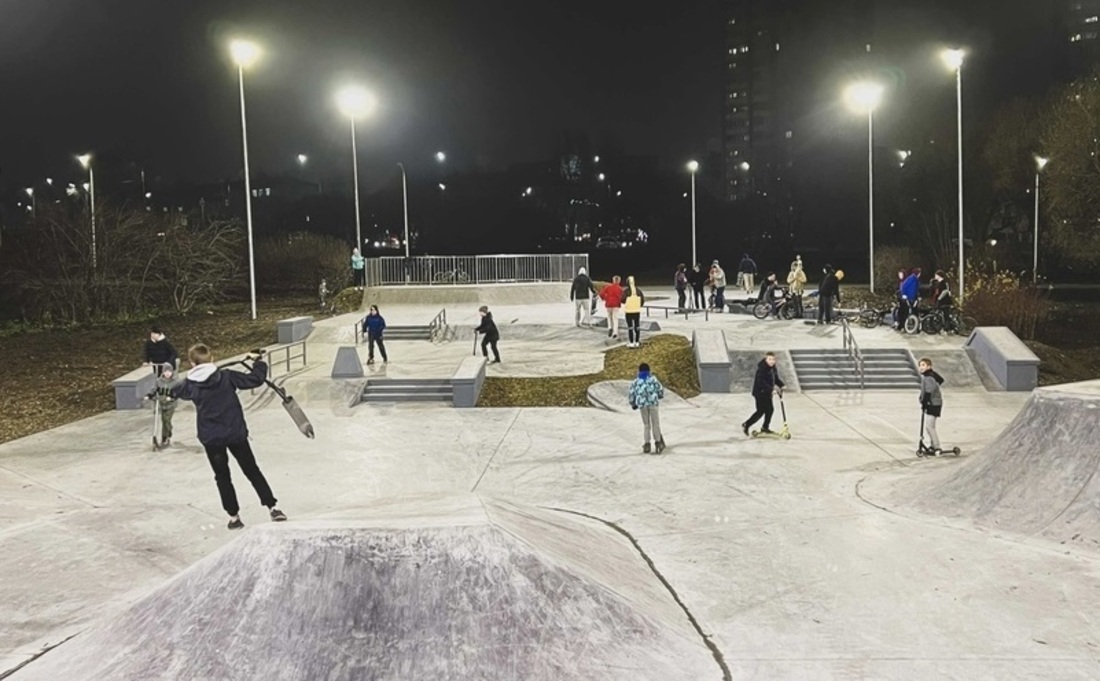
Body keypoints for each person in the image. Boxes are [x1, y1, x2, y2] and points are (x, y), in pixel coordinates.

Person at [166, 344, 287, 530]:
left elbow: (174, 391)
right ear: (212, 359)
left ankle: (234, 517)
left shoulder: (190, 385)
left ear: (191, 363)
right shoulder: (227, 376)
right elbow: (255, 379)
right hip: (235, 433)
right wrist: (258, 362)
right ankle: (273, 508)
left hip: (212, 438)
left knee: (222, 476)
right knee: (252, 470)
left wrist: (167, 383)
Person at [143, 326, 179, 448]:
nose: (153, 336)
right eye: (152, 334)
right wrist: (146, 361)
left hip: (165, 364)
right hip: (157, 367)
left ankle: (166, 434)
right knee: (159, 383)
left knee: (166, 420)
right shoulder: (149, 343)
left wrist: (168, 362)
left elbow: (174, 353)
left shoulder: (165, 343)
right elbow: (147, 353)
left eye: (155, 334)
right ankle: (165, 435)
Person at [741, 352, 785, 436]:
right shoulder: (761, 369)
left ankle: (765, 427)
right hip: (760, 393)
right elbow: (761, 382)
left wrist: (782, 385)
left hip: (767, 393)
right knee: (761, 411)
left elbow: (775, 378)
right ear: (766, 359)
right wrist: (771, 390)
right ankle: (746, 424)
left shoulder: (773, 368)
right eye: (769, 359)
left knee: (770, 410)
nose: (771, 361)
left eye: (773, 359)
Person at [628, 362, 666, 454]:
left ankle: (647, 444)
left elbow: (631, 393)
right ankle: (658, 443)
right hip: (653, 403)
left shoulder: (636, 382)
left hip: (642, 405)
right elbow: (660, 389)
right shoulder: (653, 379)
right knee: (655, 423)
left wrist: (633, 403)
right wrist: (659, 396)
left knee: (646, 425)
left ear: (639, 371)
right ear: (649, 370)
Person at [918, 357, 946, 455]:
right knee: (930, 426)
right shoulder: (930, 375)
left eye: (923, 365)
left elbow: (928, 391)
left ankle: (937, 447)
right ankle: (933, 445)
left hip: (933, 404)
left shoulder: (929, 377)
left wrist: (924, 403)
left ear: (929, 366)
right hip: (933, 403)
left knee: (929, 427)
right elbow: (940, 381)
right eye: (920, 365)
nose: (921, 367)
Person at [622, 275, 645, 348]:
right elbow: (642, 300)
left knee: (630, 327)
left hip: (629, 311)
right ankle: (637, 341)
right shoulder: (638, 291)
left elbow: (622, 300)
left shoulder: (626, 291)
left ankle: (631, 342)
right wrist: (639, 305)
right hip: (637, 310)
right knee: (637, 326)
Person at [599, 275, 625, 339]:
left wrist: (605, 298)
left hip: (609, 304)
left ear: (613, 280)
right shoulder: (620, 289)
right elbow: (623, 297)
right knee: (615, 318)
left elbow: (601, 294)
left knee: (609, 317)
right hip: (616, 305)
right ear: (619, 281)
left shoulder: (608, 287)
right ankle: (615, 332)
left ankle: (610, 327)